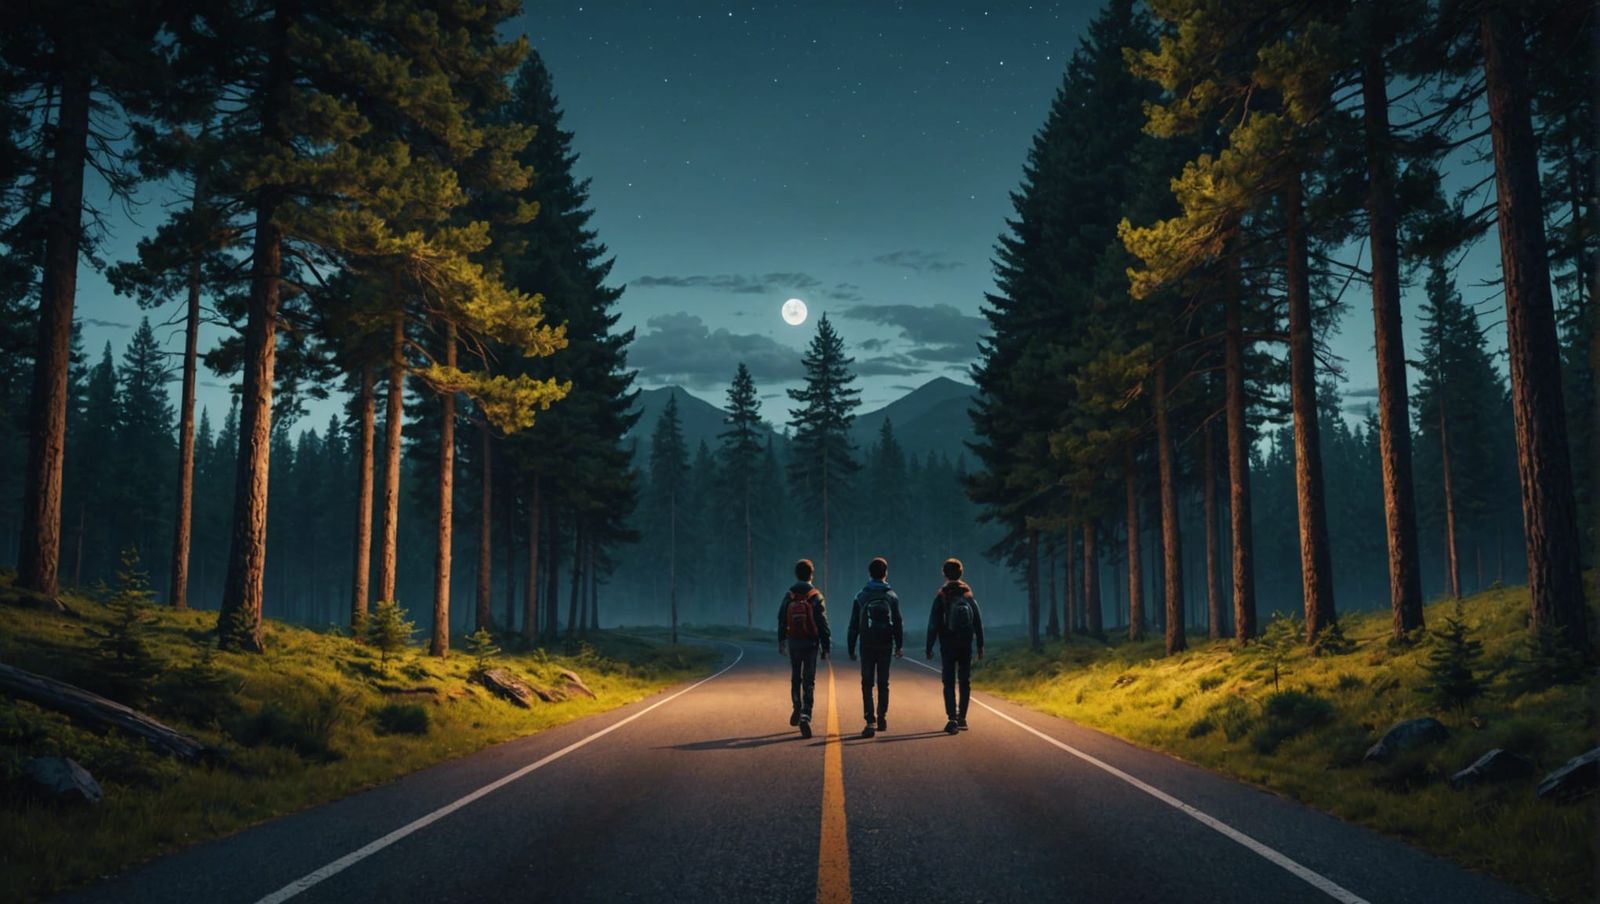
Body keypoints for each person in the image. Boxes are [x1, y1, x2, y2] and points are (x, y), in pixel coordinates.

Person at [846, 556, 903, 738]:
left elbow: (853, 624)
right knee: (883, 683)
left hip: (867, 644)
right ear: (885, 573)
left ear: (869, 574)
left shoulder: (861, 596)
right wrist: (899, 645)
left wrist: (851, 647)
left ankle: (870, 720)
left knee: (867, 683)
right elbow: (898, 623)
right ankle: (882, 716)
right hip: (886, 643)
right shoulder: (892, 596)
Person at [925, 557, 984, 734]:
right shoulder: (968, 594)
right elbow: (978, 622)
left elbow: (933, 623)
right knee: (965, 681)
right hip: (966, 644)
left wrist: (929, 646)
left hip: (948, 645)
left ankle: (951, 718)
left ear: (944, 574)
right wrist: (980, 645)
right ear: (961, 573)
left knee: (948, 682)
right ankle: (963, 718)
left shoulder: (942, 595)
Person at [778, 558, 831, 738]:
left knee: (795, 676)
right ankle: (806, 715)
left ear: (796, 574)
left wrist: (781, 640)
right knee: (809, 680)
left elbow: (781, 617)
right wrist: (826, 645)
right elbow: (822, 622)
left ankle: (796, 706)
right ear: (811, 574)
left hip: (794, 642)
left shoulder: (789, 594)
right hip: (811, 643)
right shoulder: (815, 595)